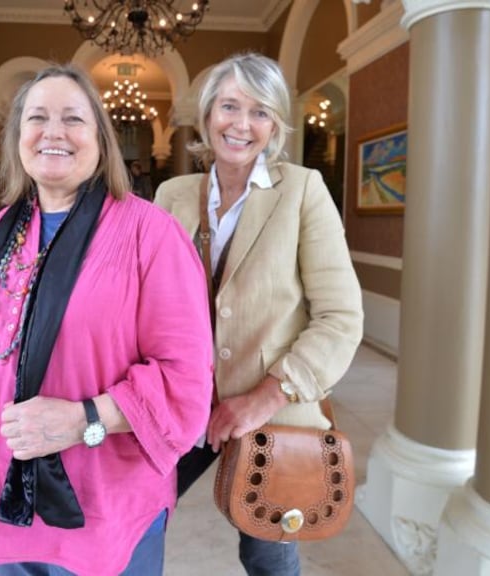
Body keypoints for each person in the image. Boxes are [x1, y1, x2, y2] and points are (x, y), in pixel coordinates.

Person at [0, 64, 213, 576]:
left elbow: (185, 381)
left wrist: (85, 419)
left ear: (100, 139)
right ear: (19, 138)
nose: (53, 131)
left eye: (72, 118)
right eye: (37, 117)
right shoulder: (3, 229)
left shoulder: (152, 233)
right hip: (8, 495)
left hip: (103, 506)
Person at [155, 52, 364, 576]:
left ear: (275, 125)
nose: (241, 124)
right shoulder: (171, 195)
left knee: (266, 547)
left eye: (259, 112)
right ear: (207, 115)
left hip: (272, 405)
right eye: (229, 106)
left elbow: (340, 317)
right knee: (135, 517)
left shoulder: (302, 191)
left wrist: (262, 399)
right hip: (182, 401)